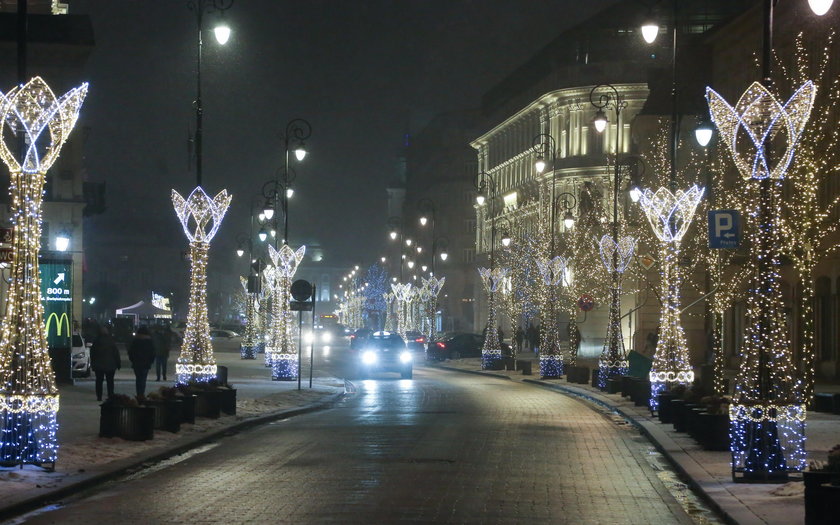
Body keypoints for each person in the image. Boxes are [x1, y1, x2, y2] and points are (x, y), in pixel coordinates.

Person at [90, 325, 121, 401]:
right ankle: (110, 395)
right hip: (110, 365)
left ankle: (99, 396)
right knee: (110, 381)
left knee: (99, 381)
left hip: (99, 365)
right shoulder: (111, 341)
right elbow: (116, 353)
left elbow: (92, 353)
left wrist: (93, 363)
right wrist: (118, 363)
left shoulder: (96, 341)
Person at [128, 326, 155, 397]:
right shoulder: (149, 341)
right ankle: (141, 393)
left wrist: (133, 360)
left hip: (136, 363)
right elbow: (152, 353)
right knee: (143, 379)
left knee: (138, 379)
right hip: (146, 363)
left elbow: (131, 352)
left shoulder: (135, 341)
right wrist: (150, 361)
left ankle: (139, 393)